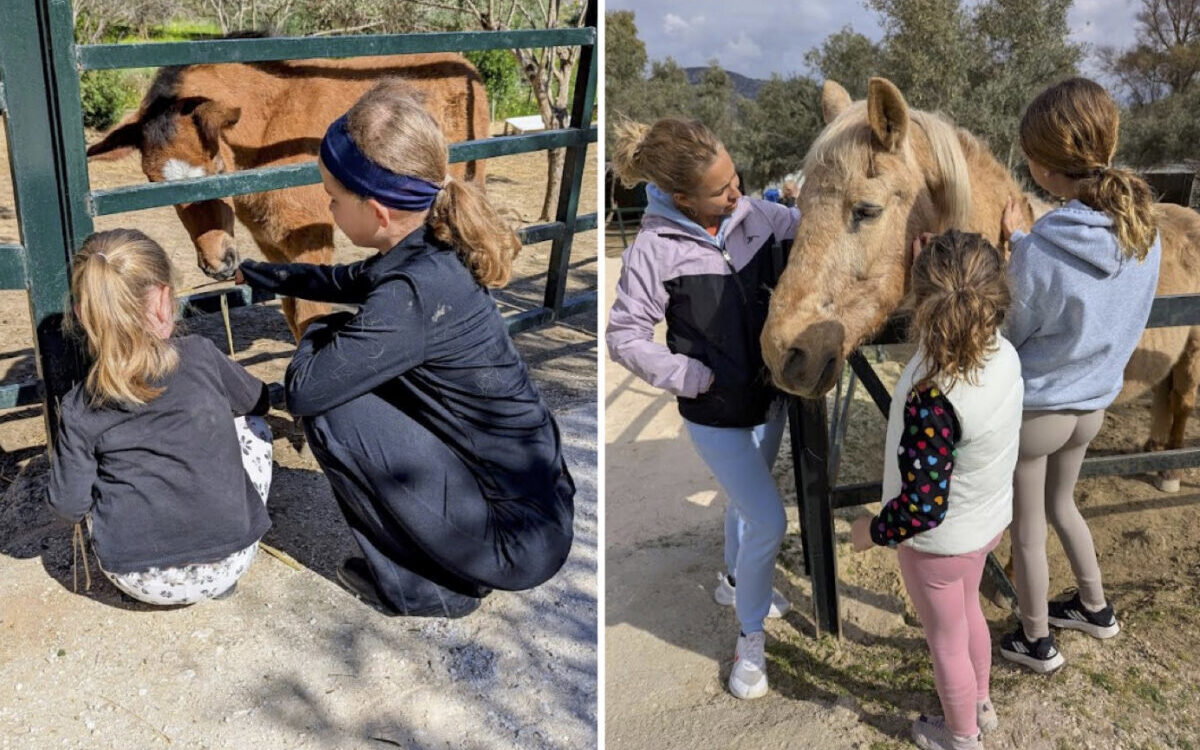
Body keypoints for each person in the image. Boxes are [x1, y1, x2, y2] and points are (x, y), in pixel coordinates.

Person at [235, 80, 575, 619]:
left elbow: (304, 391)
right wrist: (271, 275)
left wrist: (320, 334)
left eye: (334, 199)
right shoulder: (431, 245)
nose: (328, 206)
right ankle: (444, 561)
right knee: (353, 364)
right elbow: (350, 279)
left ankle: (424, 588)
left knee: (332, 406)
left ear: (377, 212)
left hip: (514, 539)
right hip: (537, 510)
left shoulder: (413, 294)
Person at [606, 116, 800, 700]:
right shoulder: (653, 249)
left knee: (747, 501)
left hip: (769, 400)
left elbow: (820, 232)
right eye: (721, 190)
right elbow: (625, 335)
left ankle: (734, 578)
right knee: (768, 519)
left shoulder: (762, 217)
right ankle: (749, 638)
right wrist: (686, 375)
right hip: (714, 414)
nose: (736, 193)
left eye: (735, 178)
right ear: (682, 197)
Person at [998, 77, 1160, 673]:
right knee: (1065, 505)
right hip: (1093, 404)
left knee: (1028, 531)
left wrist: (1016, 251)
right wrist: (1022, 239)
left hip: (1038, 413)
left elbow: (1010, 335)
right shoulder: (1143, 232)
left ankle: (1036, 639)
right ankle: (1095, 607)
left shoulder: (1040, 253)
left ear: (1041, 170)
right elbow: (1086, 280)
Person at [851, 230, 1022, 750]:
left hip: (940, 546)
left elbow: (923, 507)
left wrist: (873, 530)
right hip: (986, 523)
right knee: (968, 612)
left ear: (920, 301)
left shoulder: (933, 395)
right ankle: (981, 703)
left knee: (945, 639)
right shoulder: (1003, 353)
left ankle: (961, 735)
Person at [48, 228, 273, 605]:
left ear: (83, 316)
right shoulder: (201, 353)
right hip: (230, 562)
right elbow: (257, 401)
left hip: (133, 576)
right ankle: (218, 569)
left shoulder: (78, 405)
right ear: (165, 298)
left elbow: (68, 505)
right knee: (253, 426)